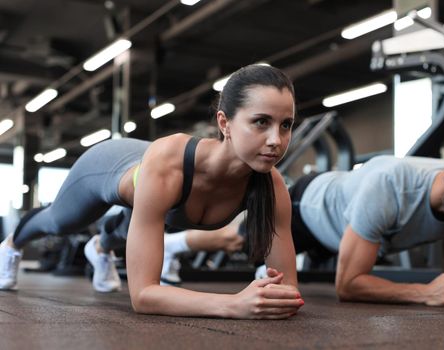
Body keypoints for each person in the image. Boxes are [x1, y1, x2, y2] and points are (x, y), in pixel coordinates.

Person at [0, 64, 304, 319]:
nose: (276, 140)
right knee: (62, 222)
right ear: (224, 123)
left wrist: (273, 296)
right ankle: (11, 244)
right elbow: (143, 295)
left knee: (129, 226)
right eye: (261, 122)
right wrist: (233, 304)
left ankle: (101, 247)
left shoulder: (271, 186)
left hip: (154, 193)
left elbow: (288, 291)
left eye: (286, 125)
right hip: (109, 165)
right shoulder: (169, 166)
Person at [290, 140, 444, 306]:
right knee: (258, 262)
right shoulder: (390, 185)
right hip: (306, 207)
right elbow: (347, 286)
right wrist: (424, 292)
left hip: (340, 236)